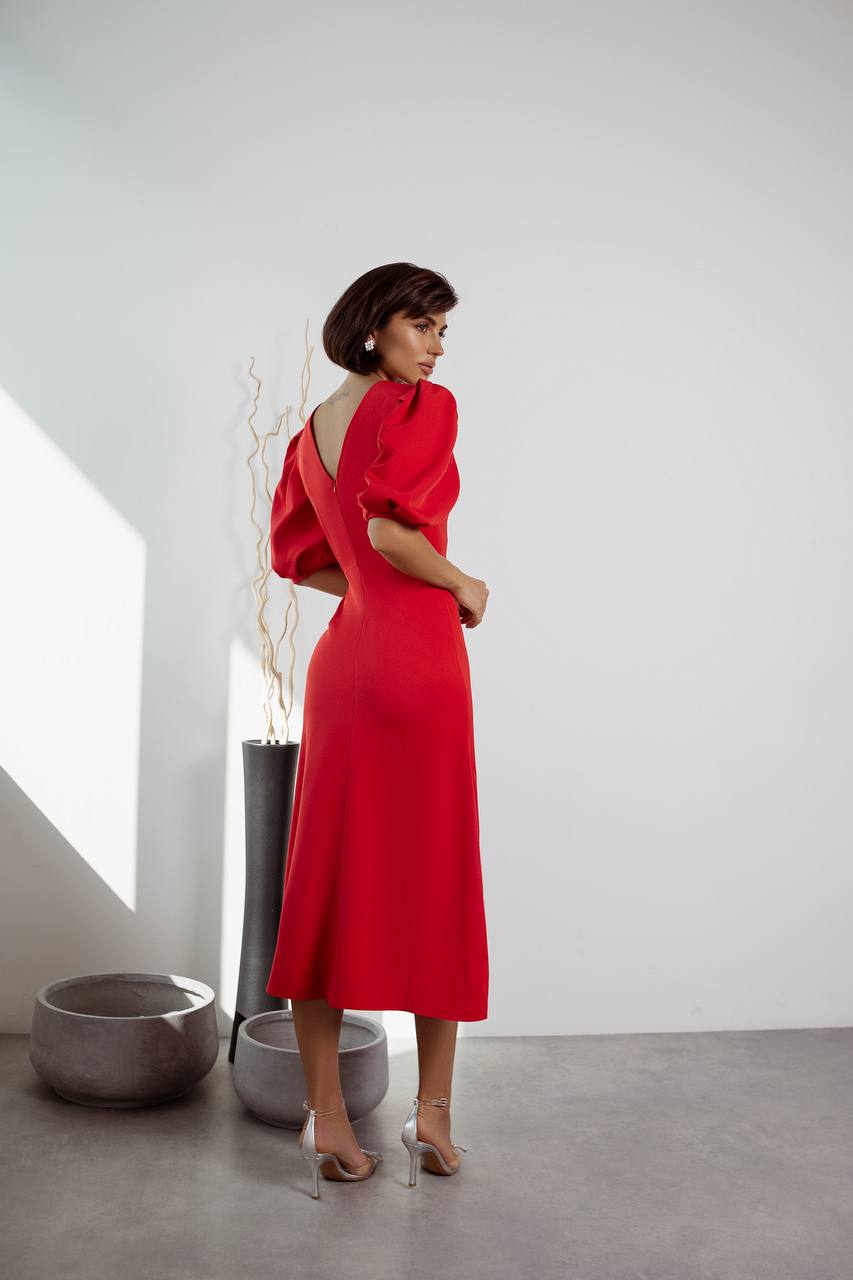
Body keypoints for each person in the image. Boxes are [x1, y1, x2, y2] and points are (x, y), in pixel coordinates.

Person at [265, 262, 490, 1198]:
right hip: (420, 662)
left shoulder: (311, 432)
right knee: (436, 875)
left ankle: (326, 1122)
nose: (438, 345)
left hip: (345, 665)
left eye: (440, 328)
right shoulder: (419, 407)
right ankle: (431, 1115)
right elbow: (397, 531)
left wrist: (365, 593)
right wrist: (460, 584)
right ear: (375, 330)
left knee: (321, 886)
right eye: (424, 324)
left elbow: (296, 559)